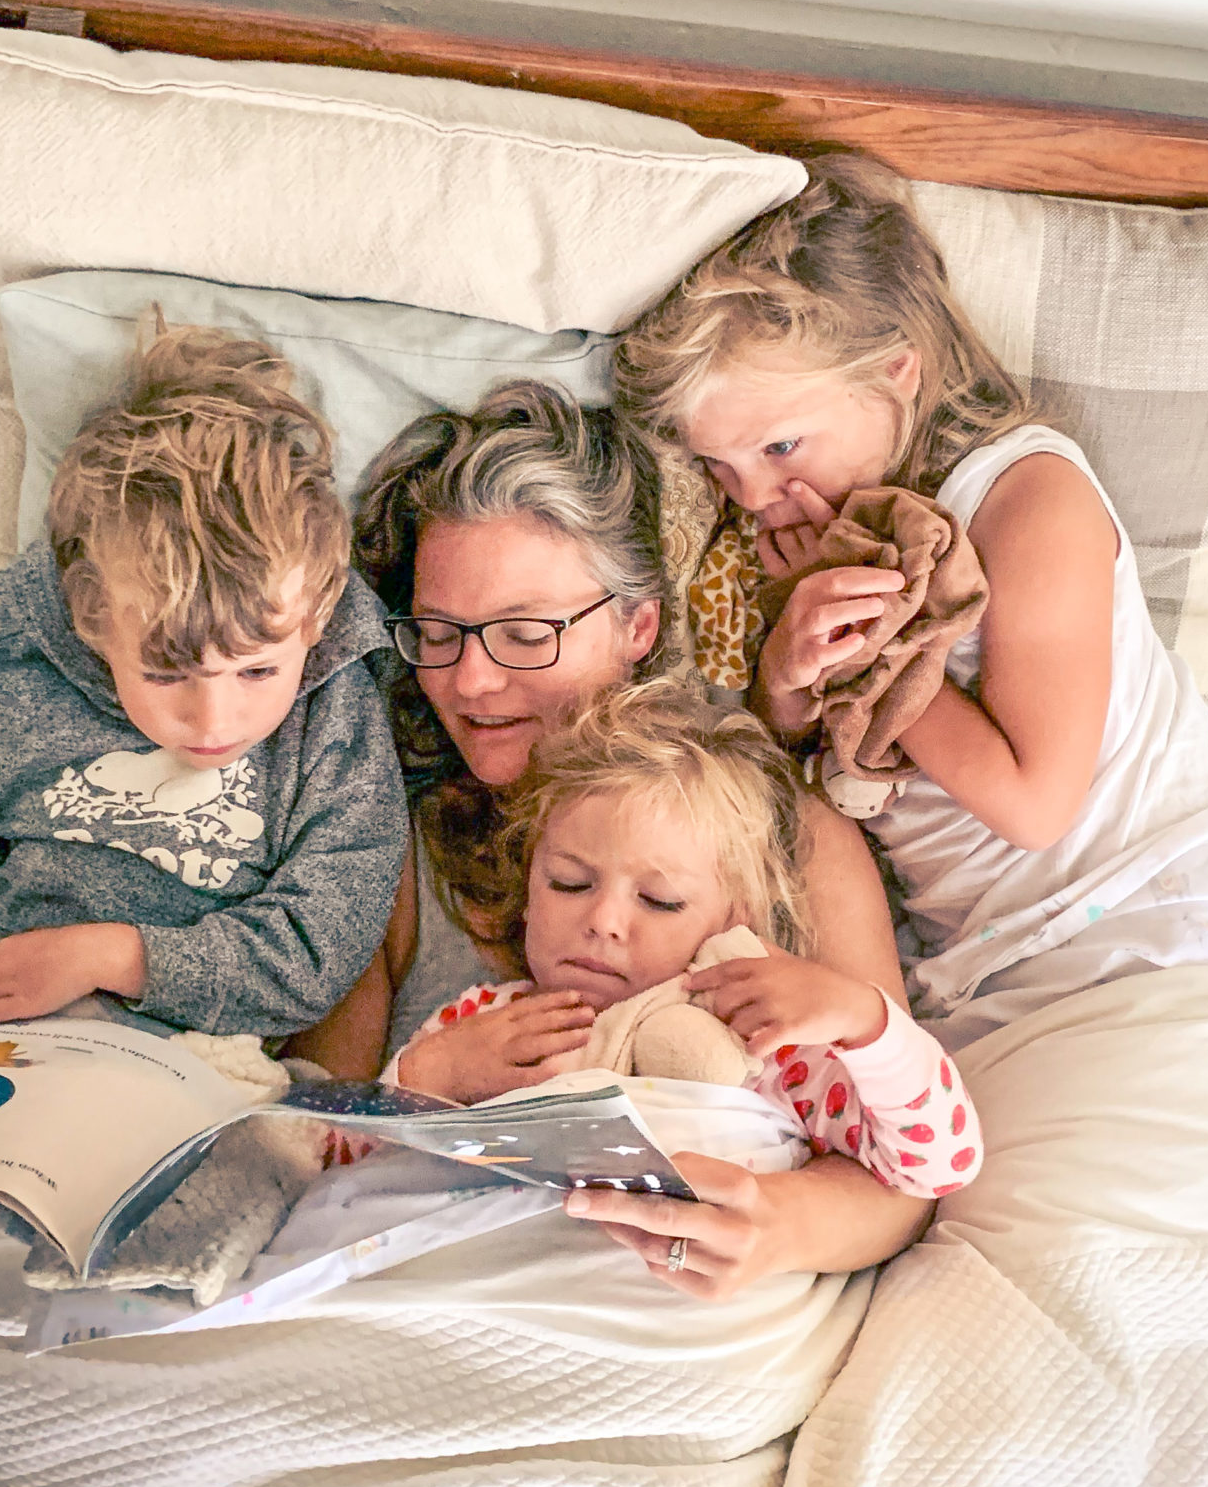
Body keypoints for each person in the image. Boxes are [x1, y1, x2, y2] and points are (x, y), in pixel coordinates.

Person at [612, 155, 1208, 1050]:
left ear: (898, 372)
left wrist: (878, 652)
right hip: (981, 949)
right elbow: (798, 762)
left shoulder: (1027, 503)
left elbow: (1035, 807)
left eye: (780, 445)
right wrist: (785, 667)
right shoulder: (817, 526)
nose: (752, 495)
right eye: (721, 467)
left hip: (1146, 902)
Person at [288, 380, 932, 1297]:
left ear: (639, 625)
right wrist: (426, 1078)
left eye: (523, 633)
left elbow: (901, 1178)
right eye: (437, 635)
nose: (469, 683)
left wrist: (777, 1222)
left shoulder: (785, 836)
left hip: (674, 1309)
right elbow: (305, 1140)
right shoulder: (398, 846)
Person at [0, 326, 407, 1036]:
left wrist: (111, 958)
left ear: (319, 615)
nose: (214, 722)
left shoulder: (335, 714)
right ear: (92, 616)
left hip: (179, 1062)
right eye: (165, 672)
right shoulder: (18, 662)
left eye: (258, 670)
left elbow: (317, 949)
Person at [389, 680, 981, 1222]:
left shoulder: (767, 1045)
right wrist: (424, 1073)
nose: (604, 922)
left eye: (660, 900)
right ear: (526, 893)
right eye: (568, 883)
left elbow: (936, 1165)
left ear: (732, 920)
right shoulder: (480, 1022)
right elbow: (339, 1163)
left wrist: (868, 1022)